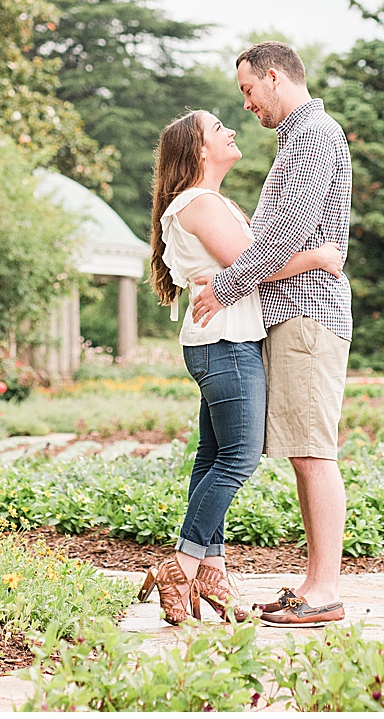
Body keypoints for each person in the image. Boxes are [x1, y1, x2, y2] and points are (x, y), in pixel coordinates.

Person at [139, 108, 345, 624]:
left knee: (212, 458)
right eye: (216, 129)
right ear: (199, 150)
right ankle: (183, 565)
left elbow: (251, 263)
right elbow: (252, 265)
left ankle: (211, 566)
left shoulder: (211, 202)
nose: (231, 129)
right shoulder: (200, 204)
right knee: (238, 460)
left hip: (225, 339)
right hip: (226, 343)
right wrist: (320, 258)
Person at [190, 41, 353, 627]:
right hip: (294, 313)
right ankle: (314, 583)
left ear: (275, 77)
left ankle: (325, 590)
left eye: (248, 90)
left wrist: (226, 286)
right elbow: (301, 247)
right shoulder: (299, 138)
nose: (247, 104)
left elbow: (282, 236)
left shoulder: (312, 135)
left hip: (310, 317)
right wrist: (315, 257)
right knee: (305, 452)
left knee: (314, 451)